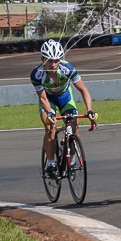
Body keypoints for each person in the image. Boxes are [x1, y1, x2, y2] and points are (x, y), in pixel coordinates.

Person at [30, 39, 97, 178]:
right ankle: (50, 163)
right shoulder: (37, 74)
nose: (53, 64)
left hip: (65, 97)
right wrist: (50, 113)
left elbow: (84, 90)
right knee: (50, 127)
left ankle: (71, 161)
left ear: (60, 59)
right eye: (49, 60)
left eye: (56, 60)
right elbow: (42, 98)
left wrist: (90, 110)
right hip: (48, 100)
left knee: (74, 126)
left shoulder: (68, 68)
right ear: (42, 59)